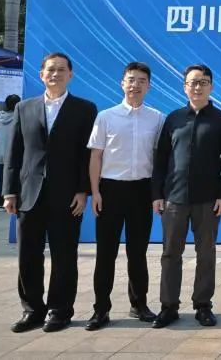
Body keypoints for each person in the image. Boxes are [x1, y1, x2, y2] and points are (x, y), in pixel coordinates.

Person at [2, 52, 98, 333]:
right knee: (28, 255)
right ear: (41, 74)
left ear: (71, 75)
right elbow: (14, 152)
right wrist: (9, 192)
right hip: (29, 194)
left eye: (61, 70)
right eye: (50, 70)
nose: (55, 74)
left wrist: (83, 190)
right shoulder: (24, 108)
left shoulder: (84, 109)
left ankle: (59, 310)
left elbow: (86, 155)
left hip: (67, 195)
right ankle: (32, 309)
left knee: (64, 255)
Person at [150, 64, 221, 328]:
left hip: (208, 199)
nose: (197, 87)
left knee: (206, 253)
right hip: (174, 198)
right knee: (170, 253)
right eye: (192, 82)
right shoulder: (173, 119)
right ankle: (168, 306)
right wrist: (157, 194)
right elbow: (161, 159)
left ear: (211, 86)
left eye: (203, 82)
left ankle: (203, 305)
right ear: (185, 86)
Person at [85, 62, 164, 331]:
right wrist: (95, 192)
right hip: (110, 190)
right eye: (131, 79)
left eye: (141, 80)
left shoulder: (157, 118)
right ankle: (100, 309)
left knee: (137, 252)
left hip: (142, 190)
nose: (135, 85)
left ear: (149, 86)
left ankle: (139, 304)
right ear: (122, 83)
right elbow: (95, 157)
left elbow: (159, 159)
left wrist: (157, 194)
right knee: (105, 253)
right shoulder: (106, 117)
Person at [0, 94, 21, 211]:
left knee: (2, 179)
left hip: (0, 152)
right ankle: (14, 203)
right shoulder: (19, 116)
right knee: (15, 177)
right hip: (13, 152)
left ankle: (0, 204)